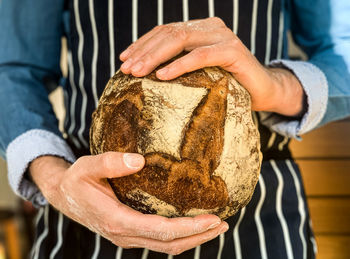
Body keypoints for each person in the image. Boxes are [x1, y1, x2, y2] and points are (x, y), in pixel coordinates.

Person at [0, 0, 349, 258]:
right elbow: (12, 69)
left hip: (262, 223)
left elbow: (342, 47)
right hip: (87, 212)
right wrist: (55, 179)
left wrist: (276, 87)